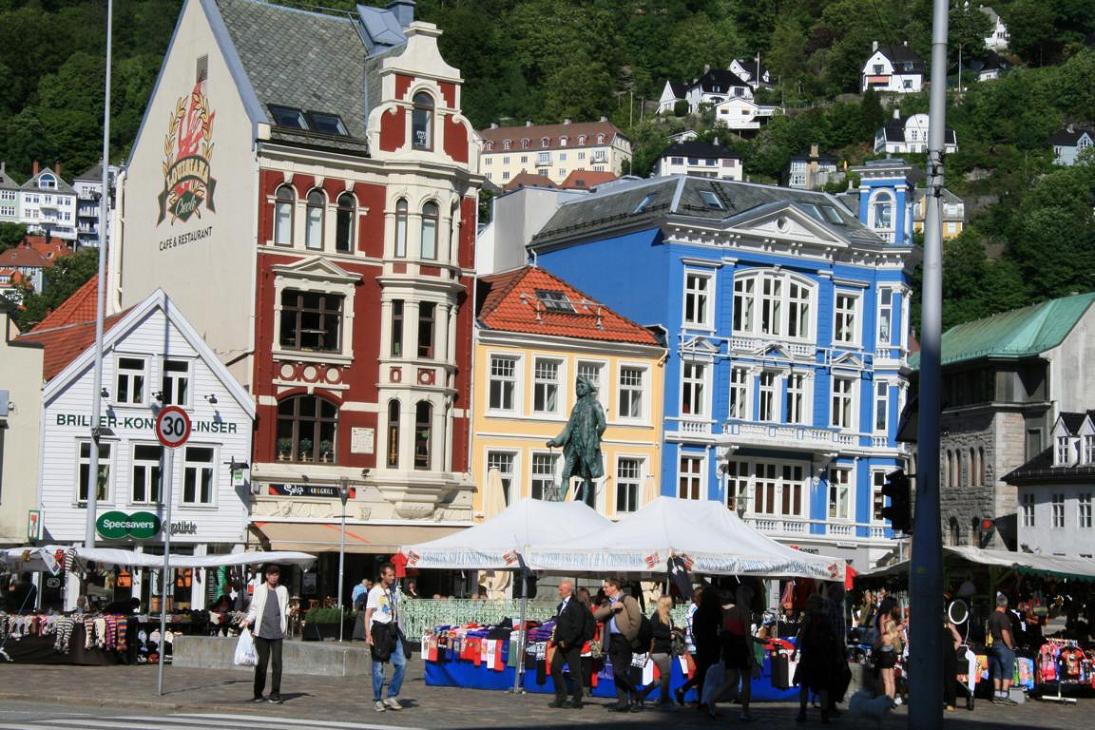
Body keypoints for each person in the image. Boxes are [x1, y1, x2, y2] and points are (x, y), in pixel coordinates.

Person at [241, 564, 288, 704]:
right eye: (272, 574)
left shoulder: (283, 590)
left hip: (277, 633)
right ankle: (258, 693)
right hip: (261, 632)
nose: (274, 577)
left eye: (276, 574)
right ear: (267, 576)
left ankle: (275, 694)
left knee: (277, 663)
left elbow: (285, 607)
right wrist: (248, 620)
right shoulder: (260, 590)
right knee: (261, 664)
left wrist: (289, 612)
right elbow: (254, 609)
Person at [594, 577, 642, 712]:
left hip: (623, 639)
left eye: (606, 586)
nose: (604, 589)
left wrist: (629, 637)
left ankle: (636, 695)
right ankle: (623, 702)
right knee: (616, 672)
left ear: (614, 587)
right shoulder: (607, 602)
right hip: (611, 640)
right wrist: (612, 608)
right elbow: (596, 615)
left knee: (620, 671)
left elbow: (636, 621)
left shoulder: (628, 600)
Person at [709, 583, 756, 721]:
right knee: (746, 681)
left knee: (731, 679)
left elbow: (726, 632)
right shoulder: (745, 612)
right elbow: (747, 635)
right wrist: (752, 654)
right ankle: (745, 712)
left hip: (730, 648)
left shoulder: (729, 612)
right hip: (742, 647)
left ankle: (712, 699)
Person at [366, 563, 406, 712]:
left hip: (392, 630)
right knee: (378, 667)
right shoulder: (375, 592)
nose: (393, 577)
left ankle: (391, 695)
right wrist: (368, 634)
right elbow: (368, 614)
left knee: (401, 663)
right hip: (379, 630)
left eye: (393, 575)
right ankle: (377, 699)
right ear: (382, 575)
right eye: (390, 575)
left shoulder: (393, 590)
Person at [793, 594, 838, 724]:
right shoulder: (826, 619)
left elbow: (801, 635)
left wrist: (795, 649)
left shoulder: (808, 618)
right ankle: (824, 714)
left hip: (809, 656)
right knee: (823, 687)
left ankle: (802, 712)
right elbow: (834, 636)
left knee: (805, 685)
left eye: (809, 604)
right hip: (823, 656)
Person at [677, 585, 721, 709]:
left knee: (702, 673)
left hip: (701, 645)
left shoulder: (699, 612)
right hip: (706, 646)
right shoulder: (707, 612)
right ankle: (699, 698)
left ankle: (700, 699)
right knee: (704, 674)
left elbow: (695, 631)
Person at [548, 580, 585, 709]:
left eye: (561, 590)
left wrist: (568, 641)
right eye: (559, 589)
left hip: (572, 644)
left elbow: (578, 627)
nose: (559, 592)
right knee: (554, 668)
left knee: (575, 672)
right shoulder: (561, 606)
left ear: (569, 591)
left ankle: (577, 699)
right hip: (561, 644)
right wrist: (557, 640)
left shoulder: (575, 605)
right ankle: (561, 697)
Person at [639, 595, 675, 708]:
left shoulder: (668, 617)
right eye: (671, 602)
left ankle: (642, 694)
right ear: (666, 604)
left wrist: (675, 632)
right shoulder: (656, 616)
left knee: (665, 676)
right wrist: (669, 635)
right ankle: (664, 699)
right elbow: (653, 631)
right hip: (658, 650)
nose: (672, 604)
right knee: (666, 675)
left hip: (667, 650)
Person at [988, 594, 1018, 705]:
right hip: (1003, 645)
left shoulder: (992, 616)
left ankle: (997, 695)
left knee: (998, 669)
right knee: (1007, 670)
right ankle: (1004, 695)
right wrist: (1010, 646)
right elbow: (1005, 632)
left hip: (995, 644)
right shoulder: (1003, 617)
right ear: (1005, 605)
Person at [873, 597, 902, 705]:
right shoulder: (893, 618)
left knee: (886, 680)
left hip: (885, 651)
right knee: (891, 678)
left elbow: (883, 632)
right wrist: (896, 630)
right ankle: (890, 700)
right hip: (892, 650)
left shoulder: (883, 617)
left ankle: (886, 702)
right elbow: (895, 633)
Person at [943, 611, 963, 712]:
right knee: (950, 681)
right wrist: (952, 649)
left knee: (945, 680)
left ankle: (947, 701)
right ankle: (951, 703)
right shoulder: (950, 629)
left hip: (944, 657)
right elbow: (959, 640)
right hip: (950, 656)